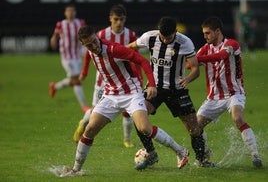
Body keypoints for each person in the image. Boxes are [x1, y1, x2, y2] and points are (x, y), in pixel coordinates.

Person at [59, 25, 189, 177]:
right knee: (90, 129)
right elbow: (89, 58)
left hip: (131, 93)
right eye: (89, 45)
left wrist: (152, 84)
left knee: (144, 128)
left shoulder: (114, 49)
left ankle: (180, 151)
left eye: (95, 41)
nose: (94, 46)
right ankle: (75, 169)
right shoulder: (90, 51)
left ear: (97, 36)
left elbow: (143, 61)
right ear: (83, 45)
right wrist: (84, 73)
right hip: (110, 95)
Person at [127, 16, 213, 169]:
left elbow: (195, 69)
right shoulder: (149, 37)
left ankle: (202, 161)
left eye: (169, 37)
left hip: (177, 90)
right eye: (163, 37)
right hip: (155, 88)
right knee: (138, 115)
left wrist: (187, 79)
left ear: (175, 32)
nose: (165, 41)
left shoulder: (184, 42)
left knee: (194, 129)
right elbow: (130, 48)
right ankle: (151, 153)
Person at [195, 16, 263, 168]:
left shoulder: (232, 44)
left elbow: (221, 56)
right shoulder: (205, 48)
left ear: (217, 31)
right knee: (196, 127)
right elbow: (190, 64)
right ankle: (205, 156)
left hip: (234, 93)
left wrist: (198, 59)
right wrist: (192, 60)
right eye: (204, 34)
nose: (205, 37)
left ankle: (255, 155)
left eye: (207, 33)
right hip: (213, 97)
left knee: (237, 118)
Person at [73, 4, 139, 148]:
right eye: (116, 19)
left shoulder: (131, 35)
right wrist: (84, 73)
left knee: (128, 111)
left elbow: (136, 57)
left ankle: (127, 139)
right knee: (95, 111)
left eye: (121, 19)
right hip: (103, 82)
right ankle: (83, 123)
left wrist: (137, 76)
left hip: (123, 80)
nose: (119, 22)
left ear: (125, 19)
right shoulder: (101, 35)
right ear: (110, 19)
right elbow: (88, 56)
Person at [49, 4, 90, 112]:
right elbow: (55, 35)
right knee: (77, 80)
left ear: (75, 12)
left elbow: (86, 35)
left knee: (74, 79)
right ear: (65, 13)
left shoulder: (80, 23)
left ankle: (55, 86)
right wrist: (53, 40)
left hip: (77, 56)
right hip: (66, 56)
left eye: (72, 11)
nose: (70, 13)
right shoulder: (61, 24)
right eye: (68, 11)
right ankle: (84, 106)